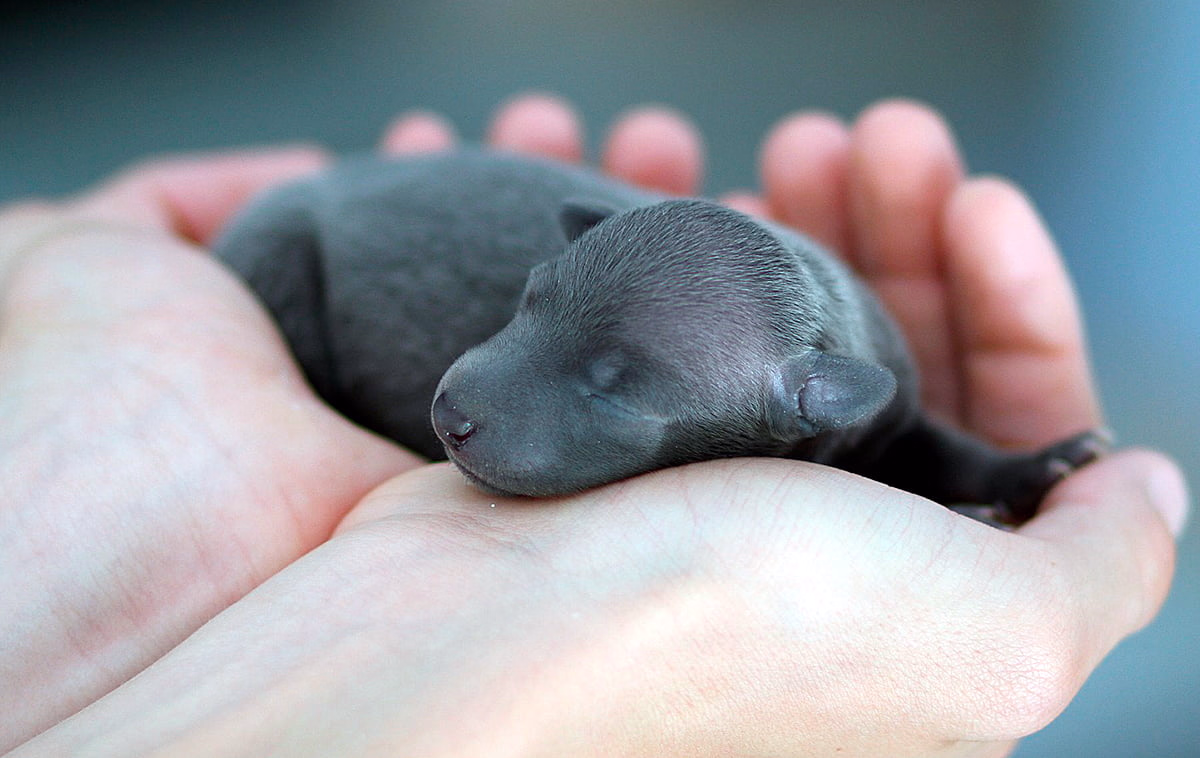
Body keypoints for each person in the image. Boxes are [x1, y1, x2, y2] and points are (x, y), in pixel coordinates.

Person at [0, 93, 1186, 757]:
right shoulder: (731, 344)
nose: (471, 394)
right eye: (530, 309)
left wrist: (996, 475)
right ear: (570, 244)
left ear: (815, 403)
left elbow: (905, 438)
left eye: (614, 384)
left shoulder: (849, 365)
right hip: (314, 248)